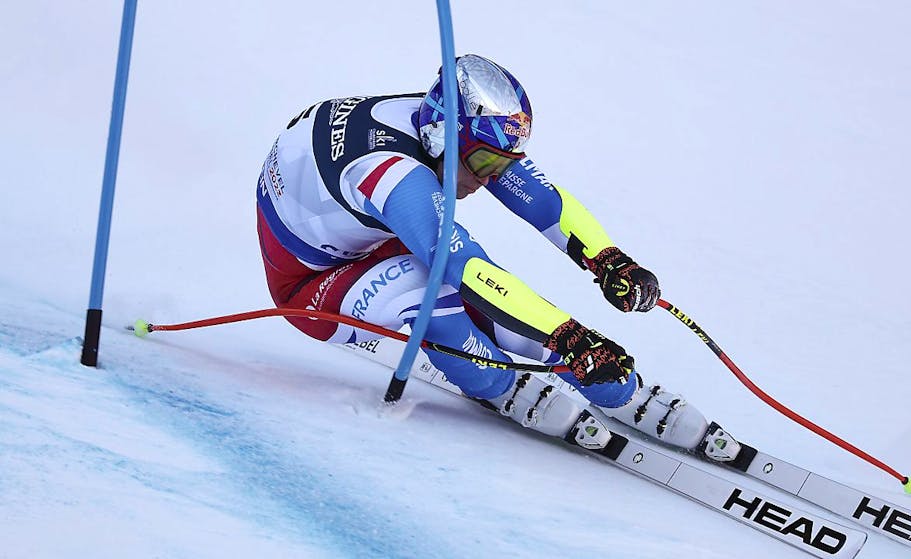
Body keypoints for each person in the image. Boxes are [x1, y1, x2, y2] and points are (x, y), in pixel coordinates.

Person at [256, 54, 738, 461]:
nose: (492, 178)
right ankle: (500, 387)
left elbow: (543, 203)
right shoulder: (389, 170)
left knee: (488, 293)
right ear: (444, 137)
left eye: (503, 163)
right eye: (486, 164)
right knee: (434, 289)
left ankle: (620, 390)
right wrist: (571, 337)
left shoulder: (455, 132)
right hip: (310, 284)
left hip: (368, 236)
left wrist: (609, 259)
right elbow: (465, 269)